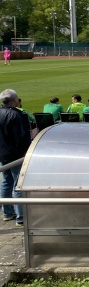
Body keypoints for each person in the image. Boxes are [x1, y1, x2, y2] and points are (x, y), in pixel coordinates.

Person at [0, 89, 31, 227]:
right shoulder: (15, 115)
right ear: (13, 100)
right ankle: (20, 217)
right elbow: (21, 137)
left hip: (3, 153)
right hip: (16, 154)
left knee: (6, 181)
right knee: (18, 184)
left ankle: (7, 213)